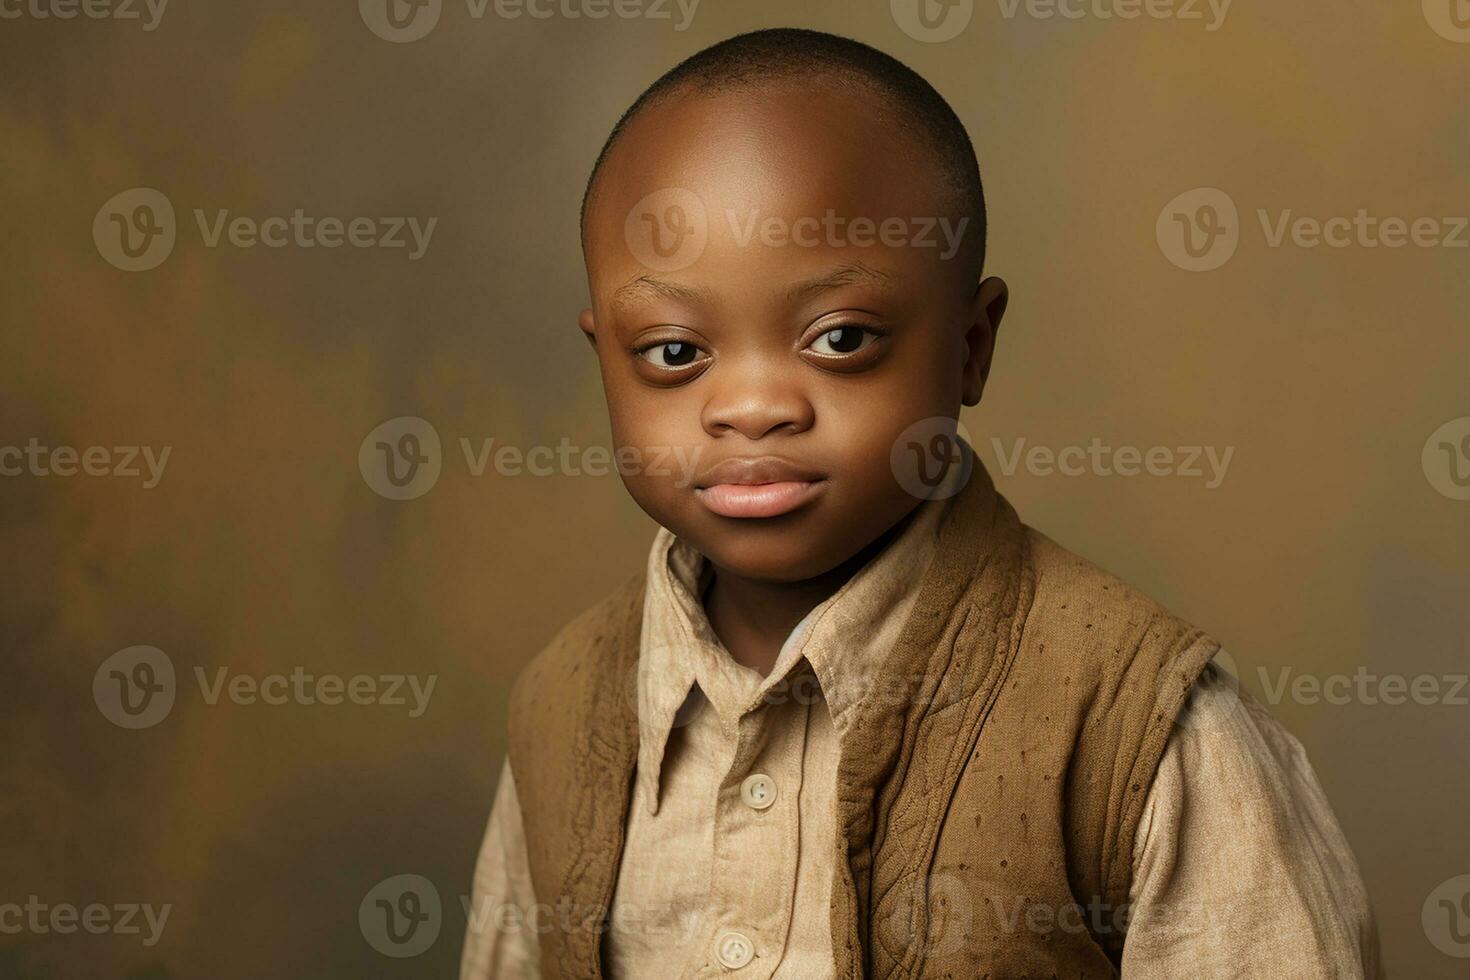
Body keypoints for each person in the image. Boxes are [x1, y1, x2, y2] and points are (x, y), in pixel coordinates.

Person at [460, 27, 1380, 979]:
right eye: (675, 354)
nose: (751, 407)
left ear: (972, 345)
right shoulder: (562, 709)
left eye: (842, 337)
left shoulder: (1140, 728)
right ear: (603, 356)